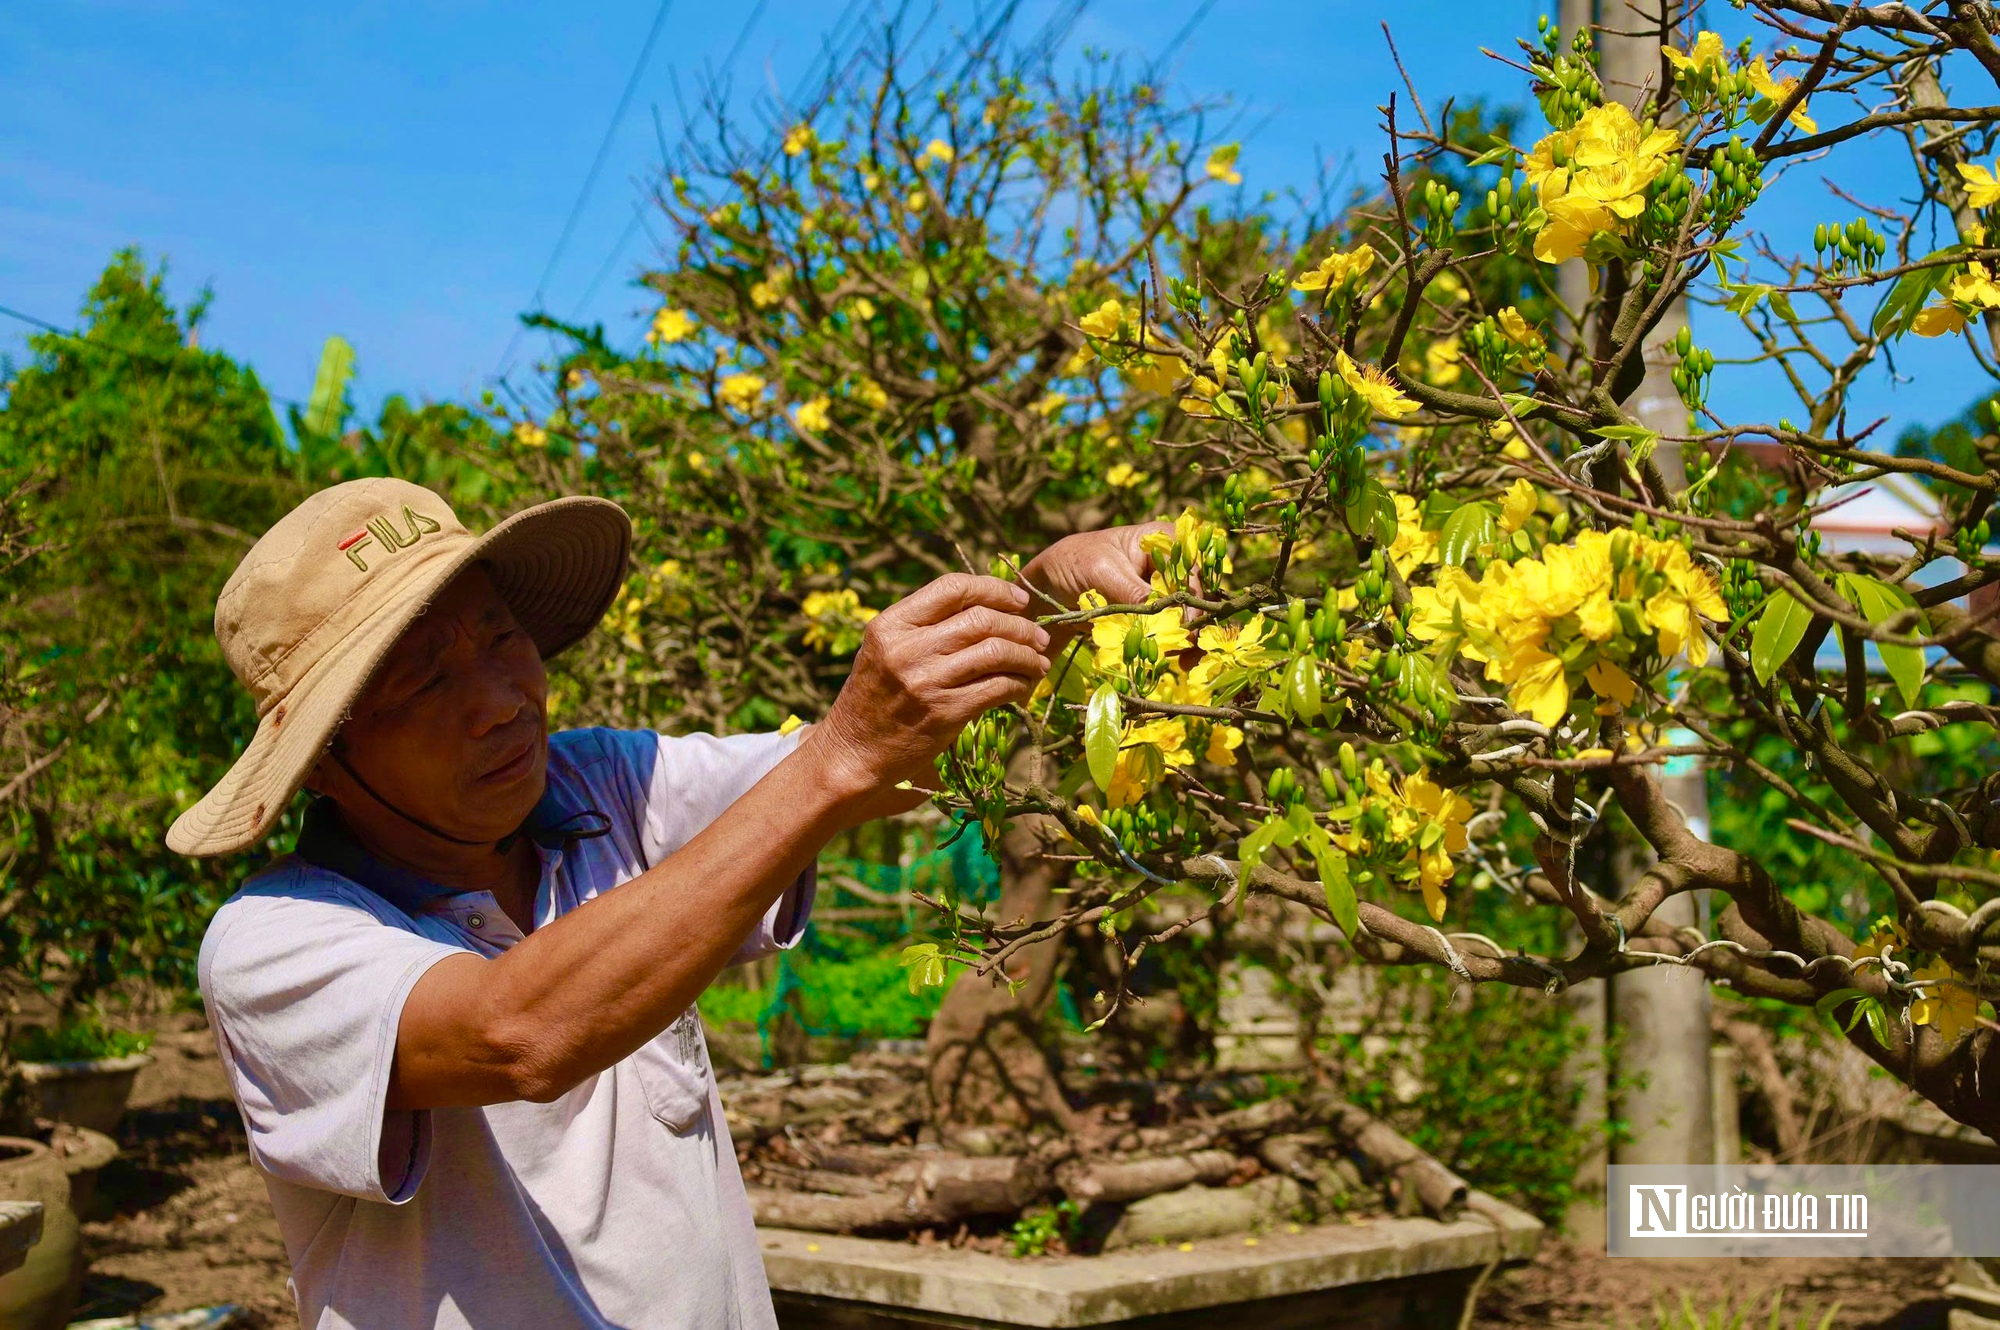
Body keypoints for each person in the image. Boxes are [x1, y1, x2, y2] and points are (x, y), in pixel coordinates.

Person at [168, 477, 1162, 1329]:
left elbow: (882, 760)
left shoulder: (596, 788)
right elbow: (516, 1031)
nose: (502, 697)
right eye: (427, 679)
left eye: (500, 636)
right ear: (322, 765)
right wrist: (837, 758)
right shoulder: (275, 945)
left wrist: (1043, 600)